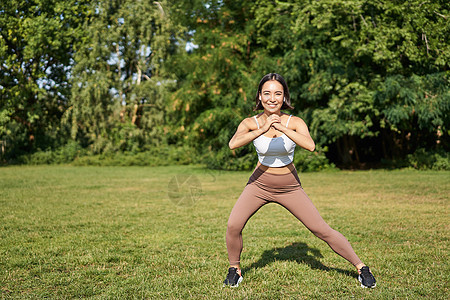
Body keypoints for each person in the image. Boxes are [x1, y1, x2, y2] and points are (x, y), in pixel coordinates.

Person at [223, 73, 376, 288]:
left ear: (284, 96)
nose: (272, 98)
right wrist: (264, 128)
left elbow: (310, 145)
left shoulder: (294, 122)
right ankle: (234, 269)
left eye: (278, 93)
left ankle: (361, 267)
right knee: (233, 225)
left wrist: (281, 128)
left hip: (289, 187)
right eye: (267, 93)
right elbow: (233, 144)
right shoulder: (251, 122)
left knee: (321, 229)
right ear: (260, 96)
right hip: (258, 185)